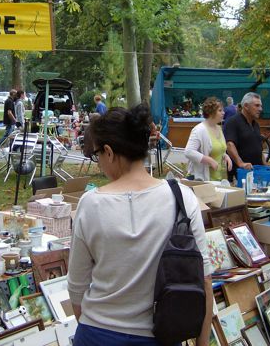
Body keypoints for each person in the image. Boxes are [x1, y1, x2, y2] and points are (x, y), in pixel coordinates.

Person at [68, 104, 213, 346]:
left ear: (109, 152)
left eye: (97, 156)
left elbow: (77, 289)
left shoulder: (91, 204)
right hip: (162, 334)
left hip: (98, 333)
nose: (99, 163)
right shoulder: (182, 196)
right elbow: (204, 280)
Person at [185, 97, 232, 181]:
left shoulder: (219, 128)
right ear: (211, 112)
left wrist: (225, 156)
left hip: (217, 180)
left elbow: (218, 148)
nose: (223, 113)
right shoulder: (199, 130)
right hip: (202, 180)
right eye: (220, 110)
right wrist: (209, 160)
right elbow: (188, 152)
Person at [223, 92, 268, 180]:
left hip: (256, 172)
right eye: (257, 105)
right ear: (246, 106)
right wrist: (241, 163)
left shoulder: (256, 124)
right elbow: (229, 145)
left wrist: (265, 163)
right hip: (240, 173)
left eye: (261, 106)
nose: (260, 109)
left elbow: (258, 147)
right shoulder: (233, 122)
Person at [0, 89, 17, 157]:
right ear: (13, 94)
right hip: (10, 122)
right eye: (16, 94)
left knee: (9, 136)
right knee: (7, 137)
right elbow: (9, 112)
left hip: (9, 122)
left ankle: (11, 150)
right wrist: (15, 120)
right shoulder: (10, 101)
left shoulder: (9, 101)